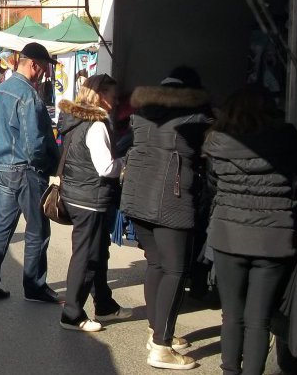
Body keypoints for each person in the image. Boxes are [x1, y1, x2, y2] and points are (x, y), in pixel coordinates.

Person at [203, 85, 297, 375]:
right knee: (259, 318)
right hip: (273, 237)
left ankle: (229, 371)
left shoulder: (217, 141)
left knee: (231, 315)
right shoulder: (285, 137)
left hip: (228, 234)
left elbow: (212, 185)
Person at [119, 66, 212, 369]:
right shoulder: (195, 117)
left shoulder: (141, 113)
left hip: (137, 197)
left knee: (156, 264)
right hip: (171, 200)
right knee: (175, 270)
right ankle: (161, 346)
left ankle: (155, 330)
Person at [0, 42, 62, 303]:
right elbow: (34, 142)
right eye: (44, 67)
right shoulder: (28, 95)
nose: (45, 73)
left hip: (2, 167)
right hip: (25, 169)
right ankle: (34, 287)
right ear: (33, 64)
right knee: (37, 230)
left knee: (1, 228)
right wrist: (46, 166)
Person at [57, 74, 130, 333]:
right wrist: (125, 163)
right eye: (113, 96)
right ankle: (72, 314)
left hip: (76, 193)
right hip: (89, 198)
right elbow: (106, 167)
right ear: (100, 95)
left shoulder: (75, 119)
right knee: (86, 256)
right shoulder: (96, 125)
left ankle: (104, 305)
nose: (116, 101)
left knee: (96, 253)